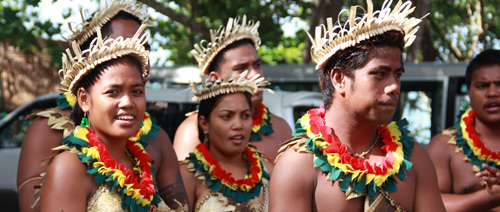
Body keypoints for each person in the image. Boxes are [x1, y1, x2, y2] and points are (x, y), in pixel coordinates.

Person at [269, 0, 445, 211]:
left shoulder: (414, 158)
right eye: (379, 74)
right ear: (339, 78)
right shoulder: (298, 164)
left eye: (397, 75)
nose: (394, 87)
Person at [17, 1, 188, 211]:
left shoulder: (156, 139)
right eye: (123, 45)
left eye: (144, 49)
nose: (137, 56)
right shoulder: (51, 134)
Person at [173, 15, 292, 162]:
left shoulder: (281, 128)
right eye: (241, 68)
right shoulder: (192, 131)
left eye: (257, 65)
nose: (255, 75)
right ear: (215, 78)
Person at [179, 70, 273, 211]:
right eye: (227, 116)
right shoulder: (186, 175)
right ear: (204, 123)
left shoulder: (269, 171)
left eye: (245, 115)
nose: (238, 125)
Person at [427, 49, 500, 211]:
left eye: (499, 84)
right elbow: (427, 205)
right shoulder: (444, 146)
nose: (493, 93)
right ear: (469, 92)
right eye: (483, 86)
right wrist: (486, 197)